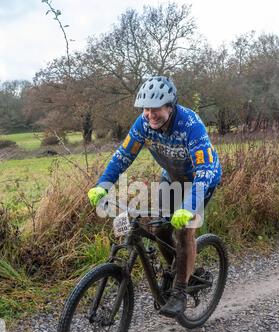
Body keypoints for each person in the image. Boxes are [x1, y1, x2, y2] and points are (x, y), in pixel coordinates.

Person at [88, 76, 222, 317]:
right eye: (146, 109)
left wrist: (189, 208)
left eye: (156, 109)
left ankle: (180, 291)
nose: (150, 114)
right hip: (171, 178)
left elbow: (205, 172)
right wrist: (102, 185)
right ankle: (180, 270)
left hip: (201, 181)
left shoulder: (191, 125)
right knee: (160, 229)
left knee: (184, 230)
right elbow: (123, 156)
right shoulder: (142, 124)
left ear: (170, 106)